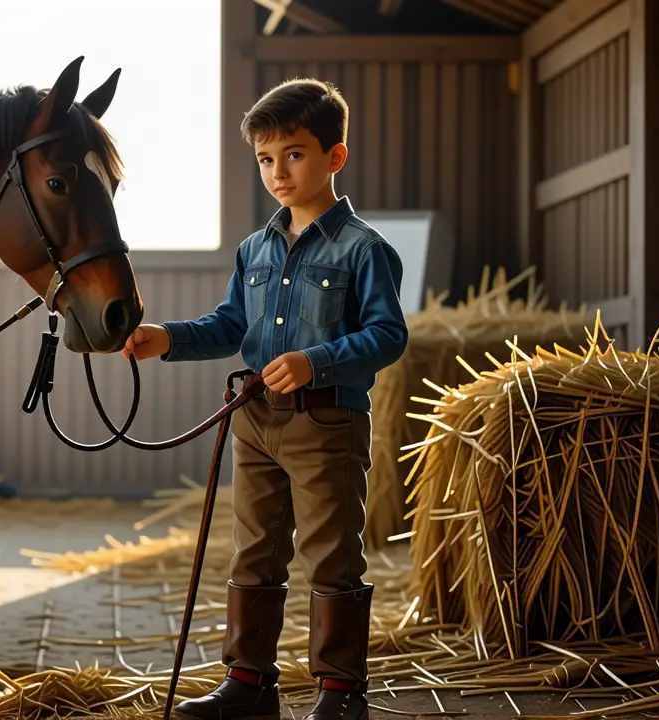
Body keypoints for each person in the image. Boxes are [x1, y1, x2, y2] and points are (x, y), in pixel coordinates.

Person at [123, 78, 408, 720]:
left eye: (294, 154)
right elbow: (231, 325)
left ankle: (341, 694)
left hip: (327, 423)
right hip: (255, 422)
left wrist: (315, 361)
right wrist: (166, 338)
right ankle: (249, 684)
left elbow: (388, 335)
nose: (278, 172)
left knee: (331, 556)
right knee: (254, 551)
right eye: (265, 158)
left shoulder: (365, 249)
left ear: (335, 156)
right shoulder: (254, 249)